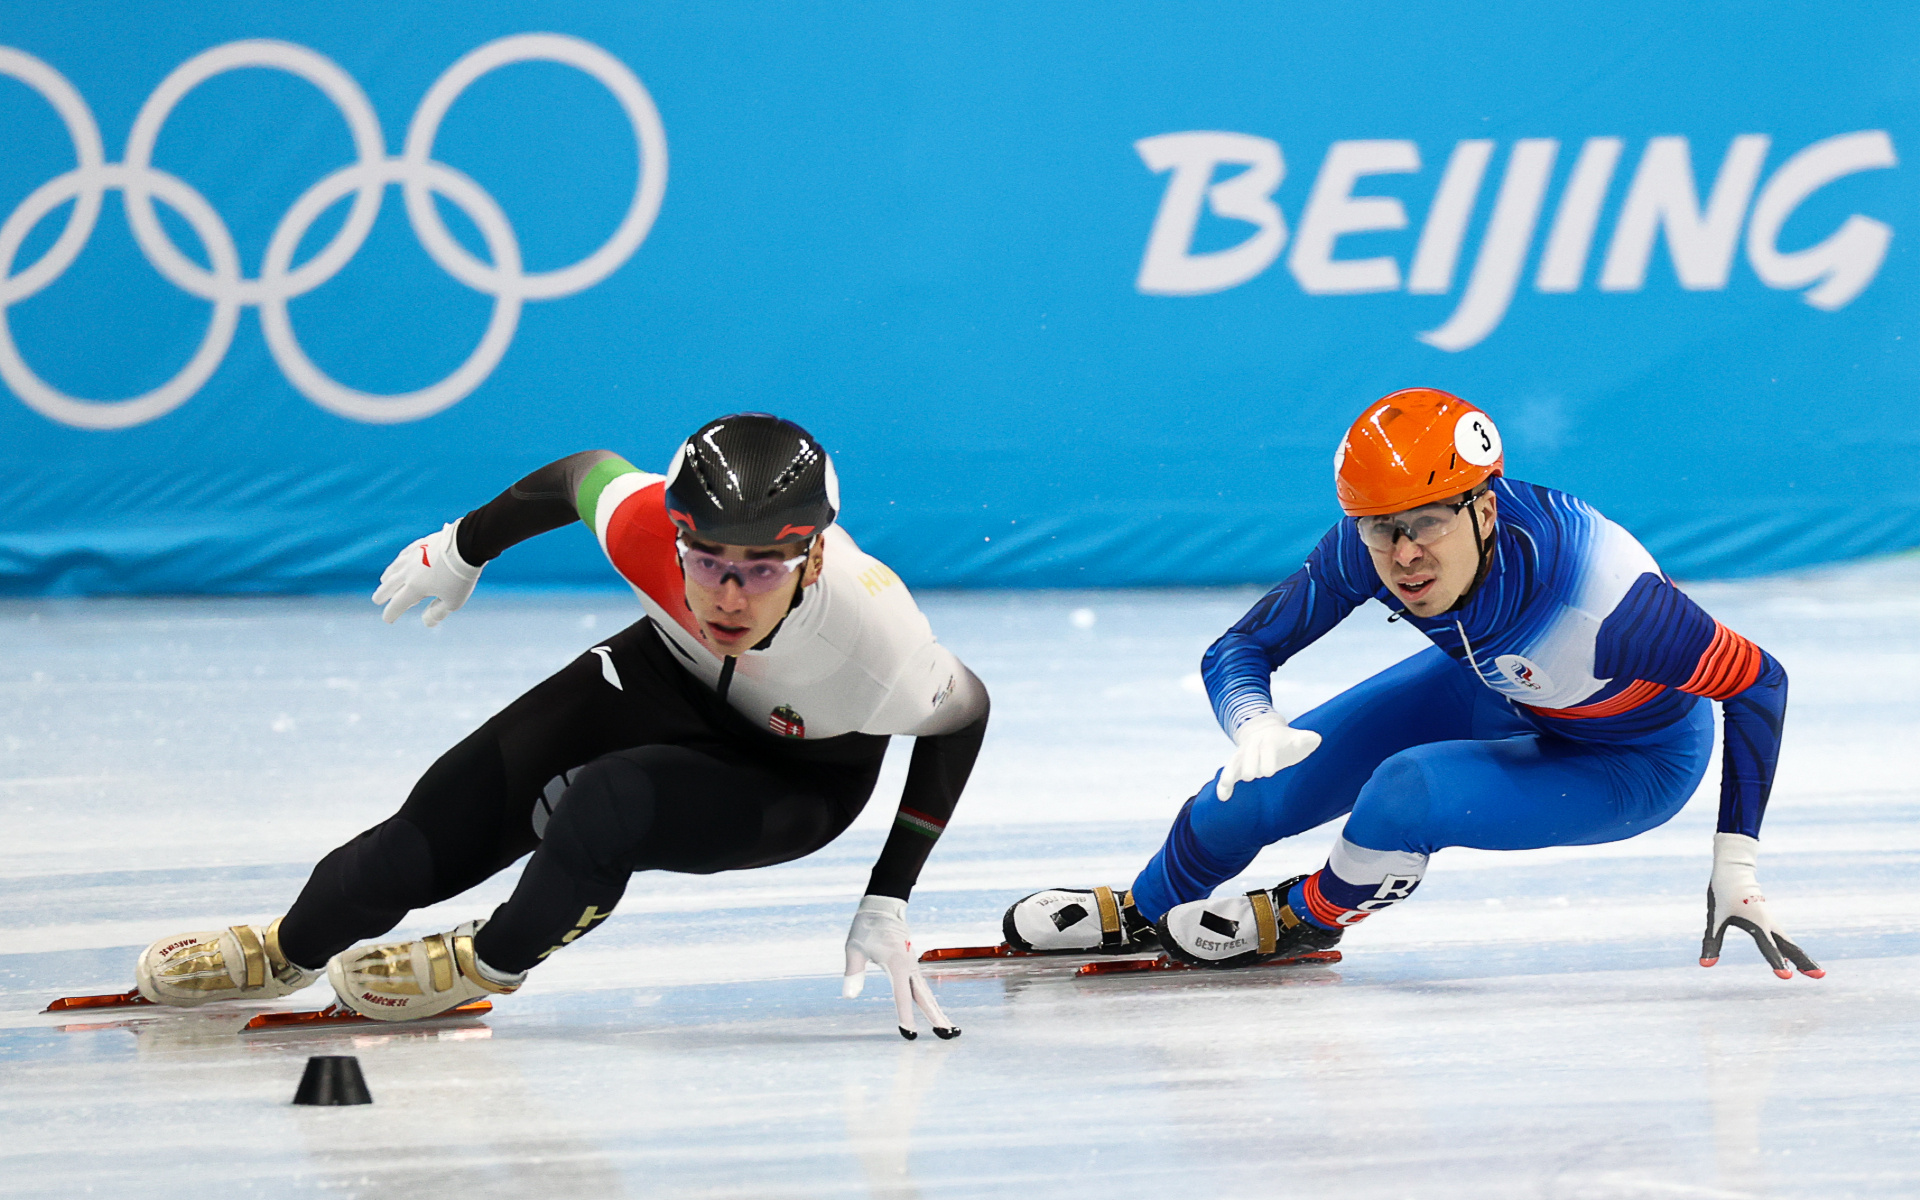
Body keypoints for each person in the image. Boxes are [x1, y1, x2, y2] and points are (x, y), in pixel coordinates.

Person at [133, 414, 988, 1039]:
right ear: (678, 537)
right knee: (434, 824)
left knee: (605, 802)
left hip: (799, 771)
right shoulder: (647, 528)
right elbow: (582, 472)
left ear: (810, 557)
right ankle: (287, 948)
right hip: (662, 677)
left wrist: (888, 892)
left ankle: (492, 960)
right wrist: (462, 547)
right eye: (708, 563)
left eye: (762, 569)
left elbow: (965, 714)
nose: (729, 595)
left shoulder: (874, 641)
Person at [1004, 388, 1820, 980]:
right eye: (1380, 530)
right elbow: (1241, 647)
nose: (1403, 558)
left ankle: (1307, 914)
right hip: (1498, 683)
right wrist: (1253, 721)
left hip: (1632, 758)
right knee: (1247, 796)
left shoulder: (1608, 604)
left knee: (1406, 793)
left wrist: (1736, 864)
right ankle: (1149, 904)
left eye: (1426, 524)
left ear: (1485, 507)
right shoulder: (1372, 545)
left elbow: (1761, 683)